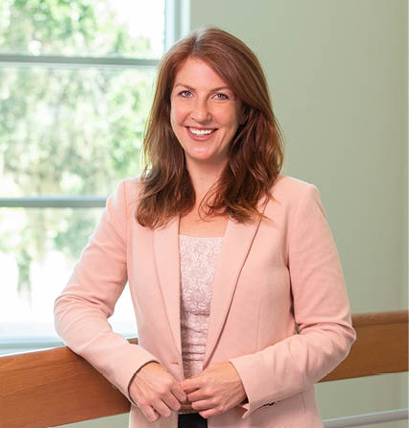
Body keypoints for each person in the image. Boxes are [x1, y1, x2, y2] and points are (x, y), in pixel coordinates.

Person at [53, 27, 356, 428]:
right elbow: (75, 306)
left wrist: (245, 378)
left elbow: (332, 332)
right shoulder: (131, 201)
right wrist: (134, 368)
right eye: (185, 94)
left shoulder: (294, 202)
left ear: (246, 109)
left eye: (221, 95)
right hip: (161, 420)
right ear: (167, 107)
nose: (200, 113)